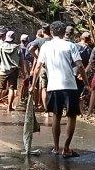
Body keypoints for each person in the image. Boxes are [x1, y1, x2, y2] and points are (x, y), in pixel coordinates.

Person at [31, 21, 87, 158]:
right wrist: (86, 82)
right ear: (64, 32)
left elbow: (38, 67)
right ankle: (66, 148)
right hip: (70, 86)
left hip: (53, 86)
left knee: (56, 116)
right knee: (71, 116)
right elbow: (80, 66)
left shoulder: (45, 47)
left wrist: (32, 85)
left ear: (51, 32)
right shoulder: (70, 46)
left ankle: (56, 147)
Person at [0, 31, 24, 111]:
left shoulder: (1, 47)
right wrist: (24, 72)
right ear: (14, 38)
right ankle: (9, 107)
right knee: (11, 89)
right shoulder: (18, 47)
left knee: (0, 89)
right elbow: (21, 61)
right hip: (14, 70)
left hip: (3, 70)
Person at [28, 25, 52, 113]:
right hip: (53, 67)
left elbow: (30, 49)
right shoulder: (53, 41)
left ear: (43, 31)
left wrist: (37, 57)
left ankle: (46, 109)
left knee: (44, 87)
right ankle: (52, 107)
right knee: (52, 87)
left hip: (43, 66)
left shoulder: (39, 41)